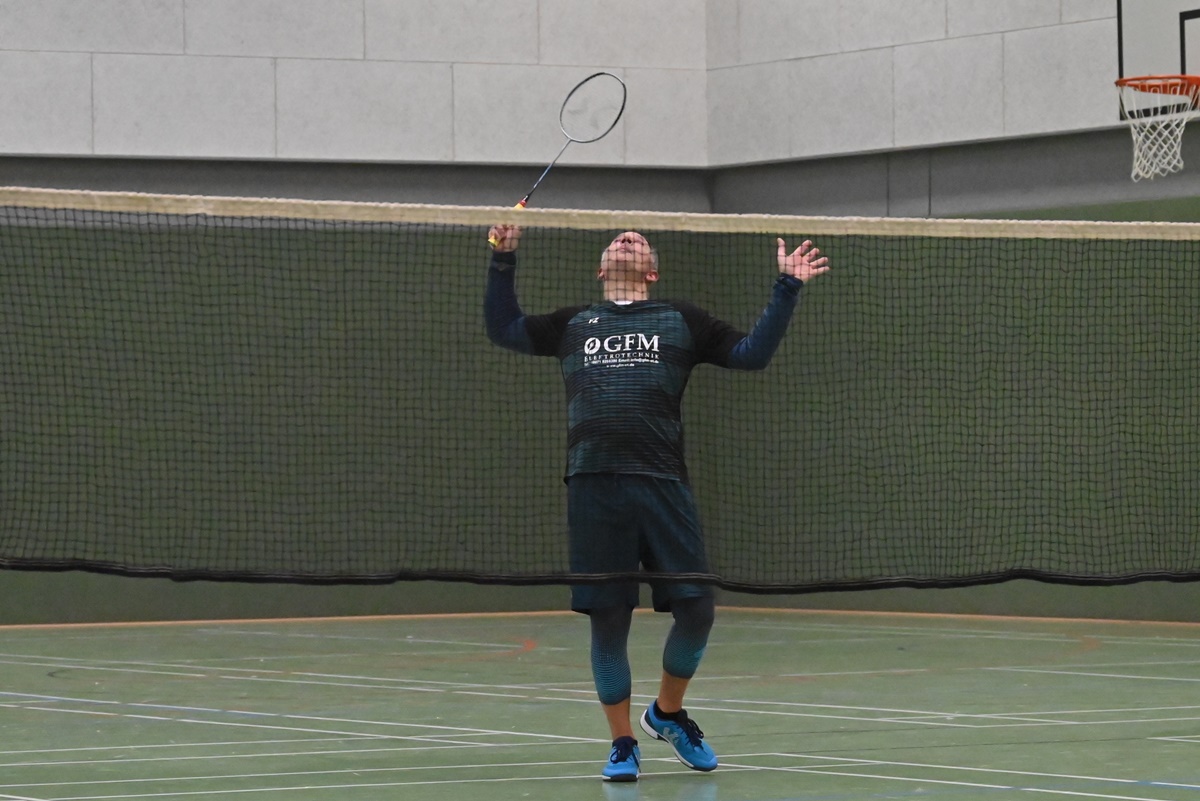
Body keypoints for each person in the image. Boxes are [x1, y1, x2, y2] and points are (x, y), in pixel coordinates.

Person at [484, 224, 829, 782]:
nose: (628, 236)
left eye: (639, 240)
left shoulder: (680, 319)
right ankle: (622, 742)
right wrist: (503, 258)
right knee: (608, 619)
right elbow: (503, 328)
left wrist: (786, 288)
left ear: (652, 272)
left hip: (663, 482)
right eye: (618, 239)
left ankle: (667, 712)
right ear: (601, 269)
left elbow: (750, 355)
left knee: (697, 609)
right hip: (594, 486)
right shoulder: (573, 323)